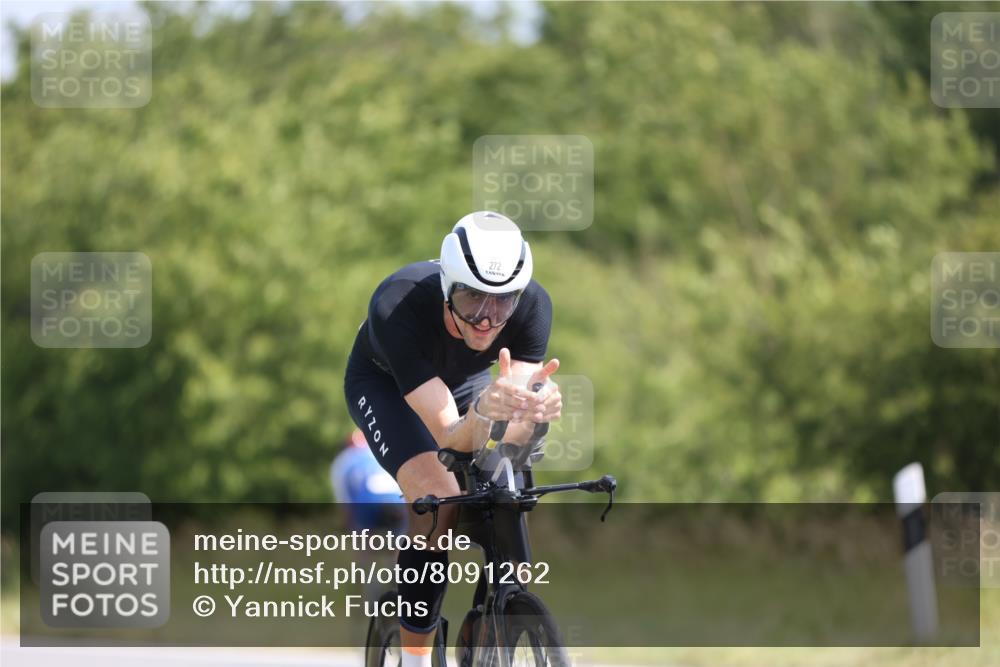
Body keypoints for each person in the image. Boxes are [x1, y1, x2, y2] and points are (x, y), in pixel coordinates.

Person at [343, 211, 561, 667]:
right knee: (439, 498)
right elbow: (449, 437)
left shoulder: (534, 307)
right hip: (387, 387)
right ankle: (417, 657)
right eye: (472, 299)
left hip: (463, 385)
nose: (487, 319)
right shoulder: (396, 303)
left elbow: (514, 419)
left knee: (508, 497)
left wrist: (535, 413)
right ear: (447, 288)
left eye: (503, 303)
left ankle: (486, 631)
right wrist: (486, 412)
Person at [329, 428, 406, 534]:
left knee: (364, 539)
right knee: (400, 539)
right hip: (395, 498)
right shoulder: (380, 451)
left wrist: (347, 521)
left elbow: (343, 495)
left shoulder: (343, 459)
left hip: (366, 499)